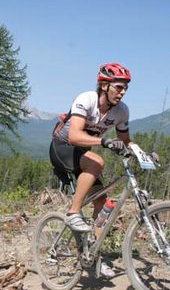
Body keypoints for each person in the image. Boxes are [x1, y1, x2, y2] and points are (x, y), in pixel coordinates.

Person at [49, 62, 133, 277]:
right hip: (63, 148)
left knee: (104, 207)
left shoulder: (122, 112)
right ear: (105, 86)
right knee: (97, 161)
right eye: (118, 87)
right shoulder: (87, 99)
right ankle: (73, 212)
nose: (122, 92)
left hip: (83, 156)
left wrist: (144, 153)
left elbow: (126, 141)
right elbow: (74, 135)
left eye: (125, 88)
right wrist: (104, 141)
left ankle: (93, 256)